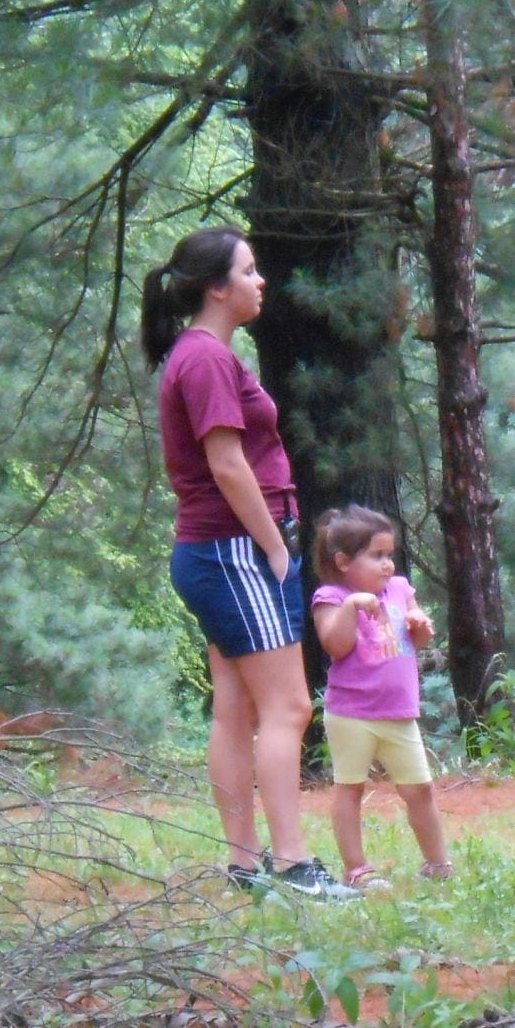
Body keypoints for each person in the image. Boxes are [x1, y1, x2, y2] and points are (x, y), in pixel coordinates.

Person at [141, 226, 352, 900]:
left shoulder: (201, 354)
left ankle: (243, 865)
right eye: (250, 271)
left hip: (213, 551)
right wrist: (272, 545)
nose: (262, 282)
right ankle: (292, 866)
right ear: (216, 287)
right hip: (233, 550)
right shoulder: (204, 359)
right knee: (288, 707)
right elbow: (227, 463)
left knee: (236, 707)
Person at [310, 505, 455, 891]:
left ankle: (437, 862)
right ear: (343, 561)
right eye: (376, 556)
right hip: (351, 713)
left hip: (399, 713)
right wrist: (351, 606)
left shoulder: (400, 589)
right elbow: (335, 646)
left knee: (418, 789)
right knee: (350, 787)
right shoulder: (331, 596)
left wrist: (420, 624)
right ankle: (357, 868)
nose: (387, 564)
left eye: (389, 555)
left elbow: (419, 637)